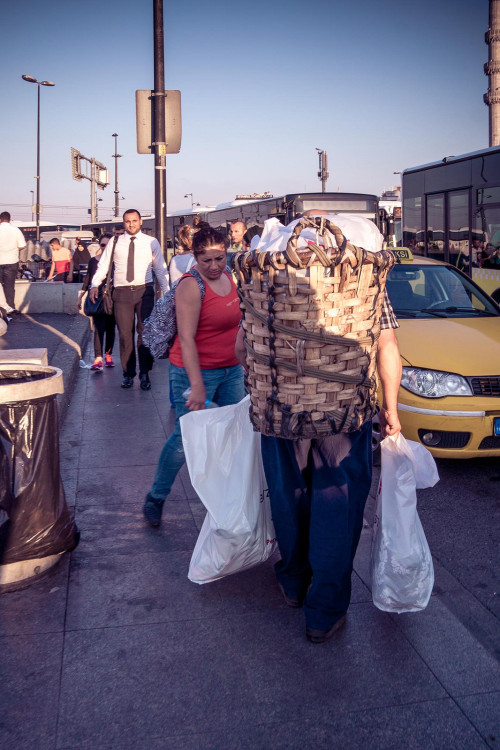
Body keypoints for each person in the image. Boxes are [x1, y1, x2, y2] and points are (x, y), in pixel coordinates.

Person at [234, 211, 402, 644]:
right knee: (337, 504)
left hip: (280, 410)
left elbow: (241, 347)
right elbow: (388, 348)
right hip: (343, 413)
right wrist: (392, 410)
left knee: (290, 496)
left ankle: (293, 583)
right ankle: (323, 613)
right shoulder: (362, 284)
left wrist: (274, 381)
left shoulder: (266, 281)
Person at [143, 226, 245, 527]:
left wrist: (245, 364)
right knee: (184, 439)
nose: (214, 266)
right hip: (193, 371)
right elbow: (186, 339)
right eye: (206, 260)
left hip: (231, 370)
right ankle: (156, 497)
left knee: (231, 434)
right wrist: (197, 385)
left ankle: (227, 498)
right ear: (195, 258)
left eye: (219, 258)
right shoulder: (191, 285)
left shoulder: (230, 277)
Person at [88, 209, 169, 391]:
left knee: (144, 333)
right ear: (123, 223)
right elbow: (103, 265)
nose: (131, 224)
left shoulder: (151, 242)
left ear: (140, 222)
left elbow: (160, 270)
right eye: (127, 221)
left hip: (144, 292)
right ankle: (128, 373)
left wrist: (167, 293)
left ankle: (145, 373)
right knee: (124, 335)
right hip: (121, 293)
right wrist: (95, 284)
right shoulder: (116, 242)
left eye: (134, 220)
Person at [78, 233, 116, 370]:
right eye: (102, 245)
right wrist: (81, 296)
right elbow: (88, 279)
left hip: (112, 298)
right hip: (97, 297)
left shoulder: (116, 262)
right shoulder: (93, 261)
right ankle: (98, 358)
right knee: (99, 328)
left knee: (111, 327)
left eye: (108, 245)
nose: (105, 247)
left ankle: (108, 355)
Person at [0, 211, 26, 314]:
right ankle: (10, 308)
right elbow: (22, 245)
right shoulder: (16, 230)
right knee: (9, 286)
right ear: (10, 220)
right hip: (11, 261)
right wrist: (12, 249)